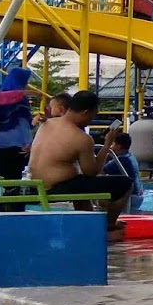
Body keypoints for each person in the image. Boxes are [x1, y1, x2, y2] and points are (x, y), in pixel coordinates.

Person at [27, 91, 132, 227]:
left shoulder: (47, 124)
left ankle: (87, 224)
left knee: (80, 183)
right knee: (125, 184)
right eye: (92, 116)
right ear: (86, 112)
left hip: (35, 184)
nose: (91, 120)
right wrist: (107, 144)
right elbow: (92, 172)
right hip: (55, 187)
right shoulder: (82, 138)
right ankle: (109, 225)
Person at [0, 67, 36, 181]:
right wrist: (29, 142)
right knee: (15, 178)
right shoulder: (20, 98)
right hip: (17, 144)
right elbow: (22, 122)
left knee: (2, 177)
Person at [102, 131, 144, 214]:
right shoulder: (130, 156)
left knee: (102, 202)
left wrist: (105, 155)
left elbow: (100, 170)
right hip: (138, 194)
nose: (112, 146)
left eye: (113, 144)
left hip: (131, 197)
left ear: (118, 146)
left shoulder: (120, 160)